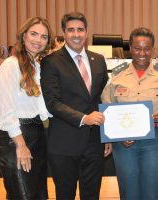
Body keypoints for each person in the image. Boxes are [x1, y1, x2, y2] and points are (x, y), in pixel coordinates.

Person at [40, 12, 112, 199]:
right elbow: (52, 103)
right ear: (64, 33)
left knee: (92, 195)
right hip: (64, 142)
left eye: (80, 29)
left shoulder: (99, 60)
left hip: (95, 142)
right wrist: (83, 118)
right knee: (65, 195)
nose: (76, 34)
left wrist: (108, 136)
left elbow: (103, 99)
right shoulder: (50, 61)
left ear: (86, 32)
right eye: (71, 30)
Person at [101, 27, 158, 200]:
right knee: (129, 193)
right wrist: (117, 137)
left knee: (154, 193)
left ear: (153, 50)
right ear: (130, 49)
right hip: (125, 144)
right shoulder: (117, 76)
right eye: (137, 48)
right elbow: (106, 107)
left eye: (147, 49)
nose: (142, 53)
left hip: (155, 140)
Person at [0, 16, 53, 199]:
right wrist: (20, 145)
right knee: (23, 195)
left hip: (37, 133)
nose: (38, 40)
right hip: (16, 138)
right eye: (34, 34)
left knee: (39, 194)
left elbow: (44, 110)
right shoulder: (10, 65)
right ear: (23, 35)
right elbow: (5, 111)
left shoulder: (38, 66)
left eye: (44, 37)